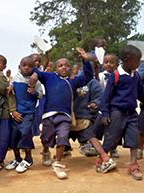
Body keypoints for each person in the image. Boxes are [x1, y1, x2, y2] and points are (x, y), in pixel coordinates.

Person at [29, 47, 93, 179]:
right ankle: (46, 151)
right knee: (46, 138)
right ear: (56, 68)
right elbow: (37, 72)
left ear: (70, 68)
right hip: (48, 115)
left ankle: (57, 163)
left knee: (63, 137)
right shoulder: (49, 77)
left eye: (66, 66)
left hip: (65, 116)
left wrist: (85, 60)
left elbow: (88, 76)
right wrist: (35, 73)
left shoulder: (73, 82)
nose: (64, 67)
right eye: (60, 65)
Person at [100, 45, 144, 181]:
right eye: (137, 61)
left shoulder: (135, 75)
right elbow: (106, 96)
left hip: (131, 113)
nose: (139, 63)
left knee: (134, 138)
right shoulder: (115, 75)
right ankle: (103, 158)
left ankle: (133, 164)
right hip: (116, 112)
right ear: (127, 60)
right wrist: (104, 113)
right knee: (112, 137)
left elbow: (141, 92)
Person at [69, 69, 116, 173]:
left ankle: (105, 158)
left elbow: (100, 96)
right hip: (67, 118)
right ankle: (60, 151)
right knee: (60, 135)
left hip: (83, 117)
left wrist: (95, 103)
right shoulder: (67, 81)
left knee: (91, 136)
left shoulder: (92, 82)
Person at [6, 56, 43, 173]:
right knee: (14, 136)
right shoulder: (15, 78)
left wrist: (35, 92)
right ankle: (17, 158)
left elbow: (41, 94)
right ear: (19, 67)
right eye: (24, 65)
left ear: (35, 68)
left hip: (29, 113)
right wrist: (11, 86)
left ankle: (28, 158)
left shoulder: (35, 81)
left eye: (31, 66)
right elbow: (11, 93)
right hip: (16, 113)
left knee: (26, 134)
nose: (27, 68)